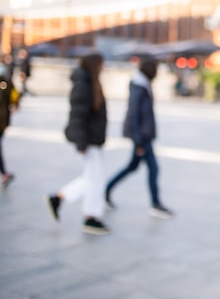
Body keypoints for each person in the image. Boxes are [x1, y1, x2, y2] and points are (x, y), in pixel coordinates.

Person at [46, 53, 109, 235]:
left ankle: (58, 198)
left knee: (93, 177)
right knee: (95, 179)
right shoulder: (83, 84)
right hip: (88, 140)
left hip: (92, 139)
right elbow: (77, 116)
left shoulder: (88, 82)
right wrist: (81, 143)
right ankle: (91, 217)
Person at [104, 59, 174, 219]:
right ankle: (155, 204)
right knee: (153, 169)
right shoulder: (139, 86)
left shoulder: (142, 84)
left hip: (143, 136)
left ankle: (106, 190)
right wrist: (138, 141)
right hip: (142, 137)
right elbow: (133, 114)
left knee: (132, 167)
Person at [0, 60, 19, 187]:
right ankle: (4, 173)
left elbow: (15, 96)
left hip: (2, 121)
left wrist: (15, 105)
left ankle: (4, 174)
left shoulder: (6, 81)